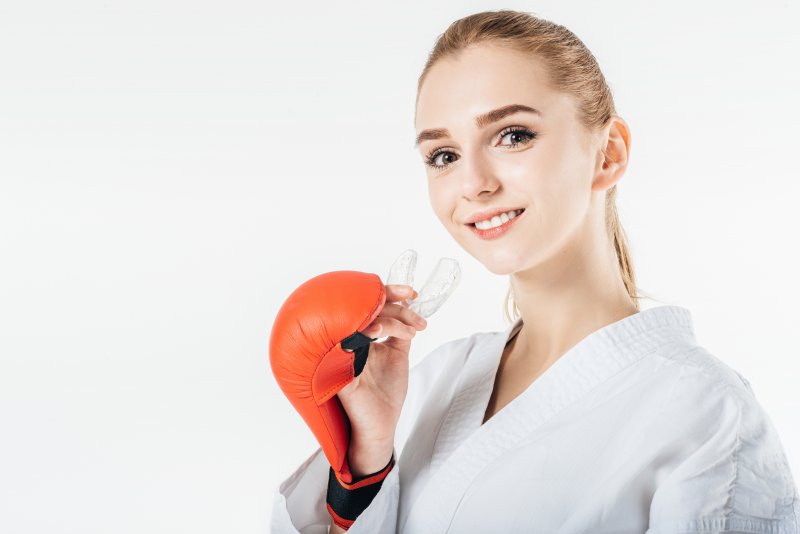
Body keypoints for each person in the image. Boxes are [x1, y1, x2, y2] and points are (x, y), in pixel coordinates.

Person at [270, 9, 799, 533]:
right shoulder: (439, 379)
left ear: (608, 153)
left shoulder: (705, 415)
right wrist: (365, 461)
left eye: (514, 135)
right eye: (444, 154)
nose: (473, 183)